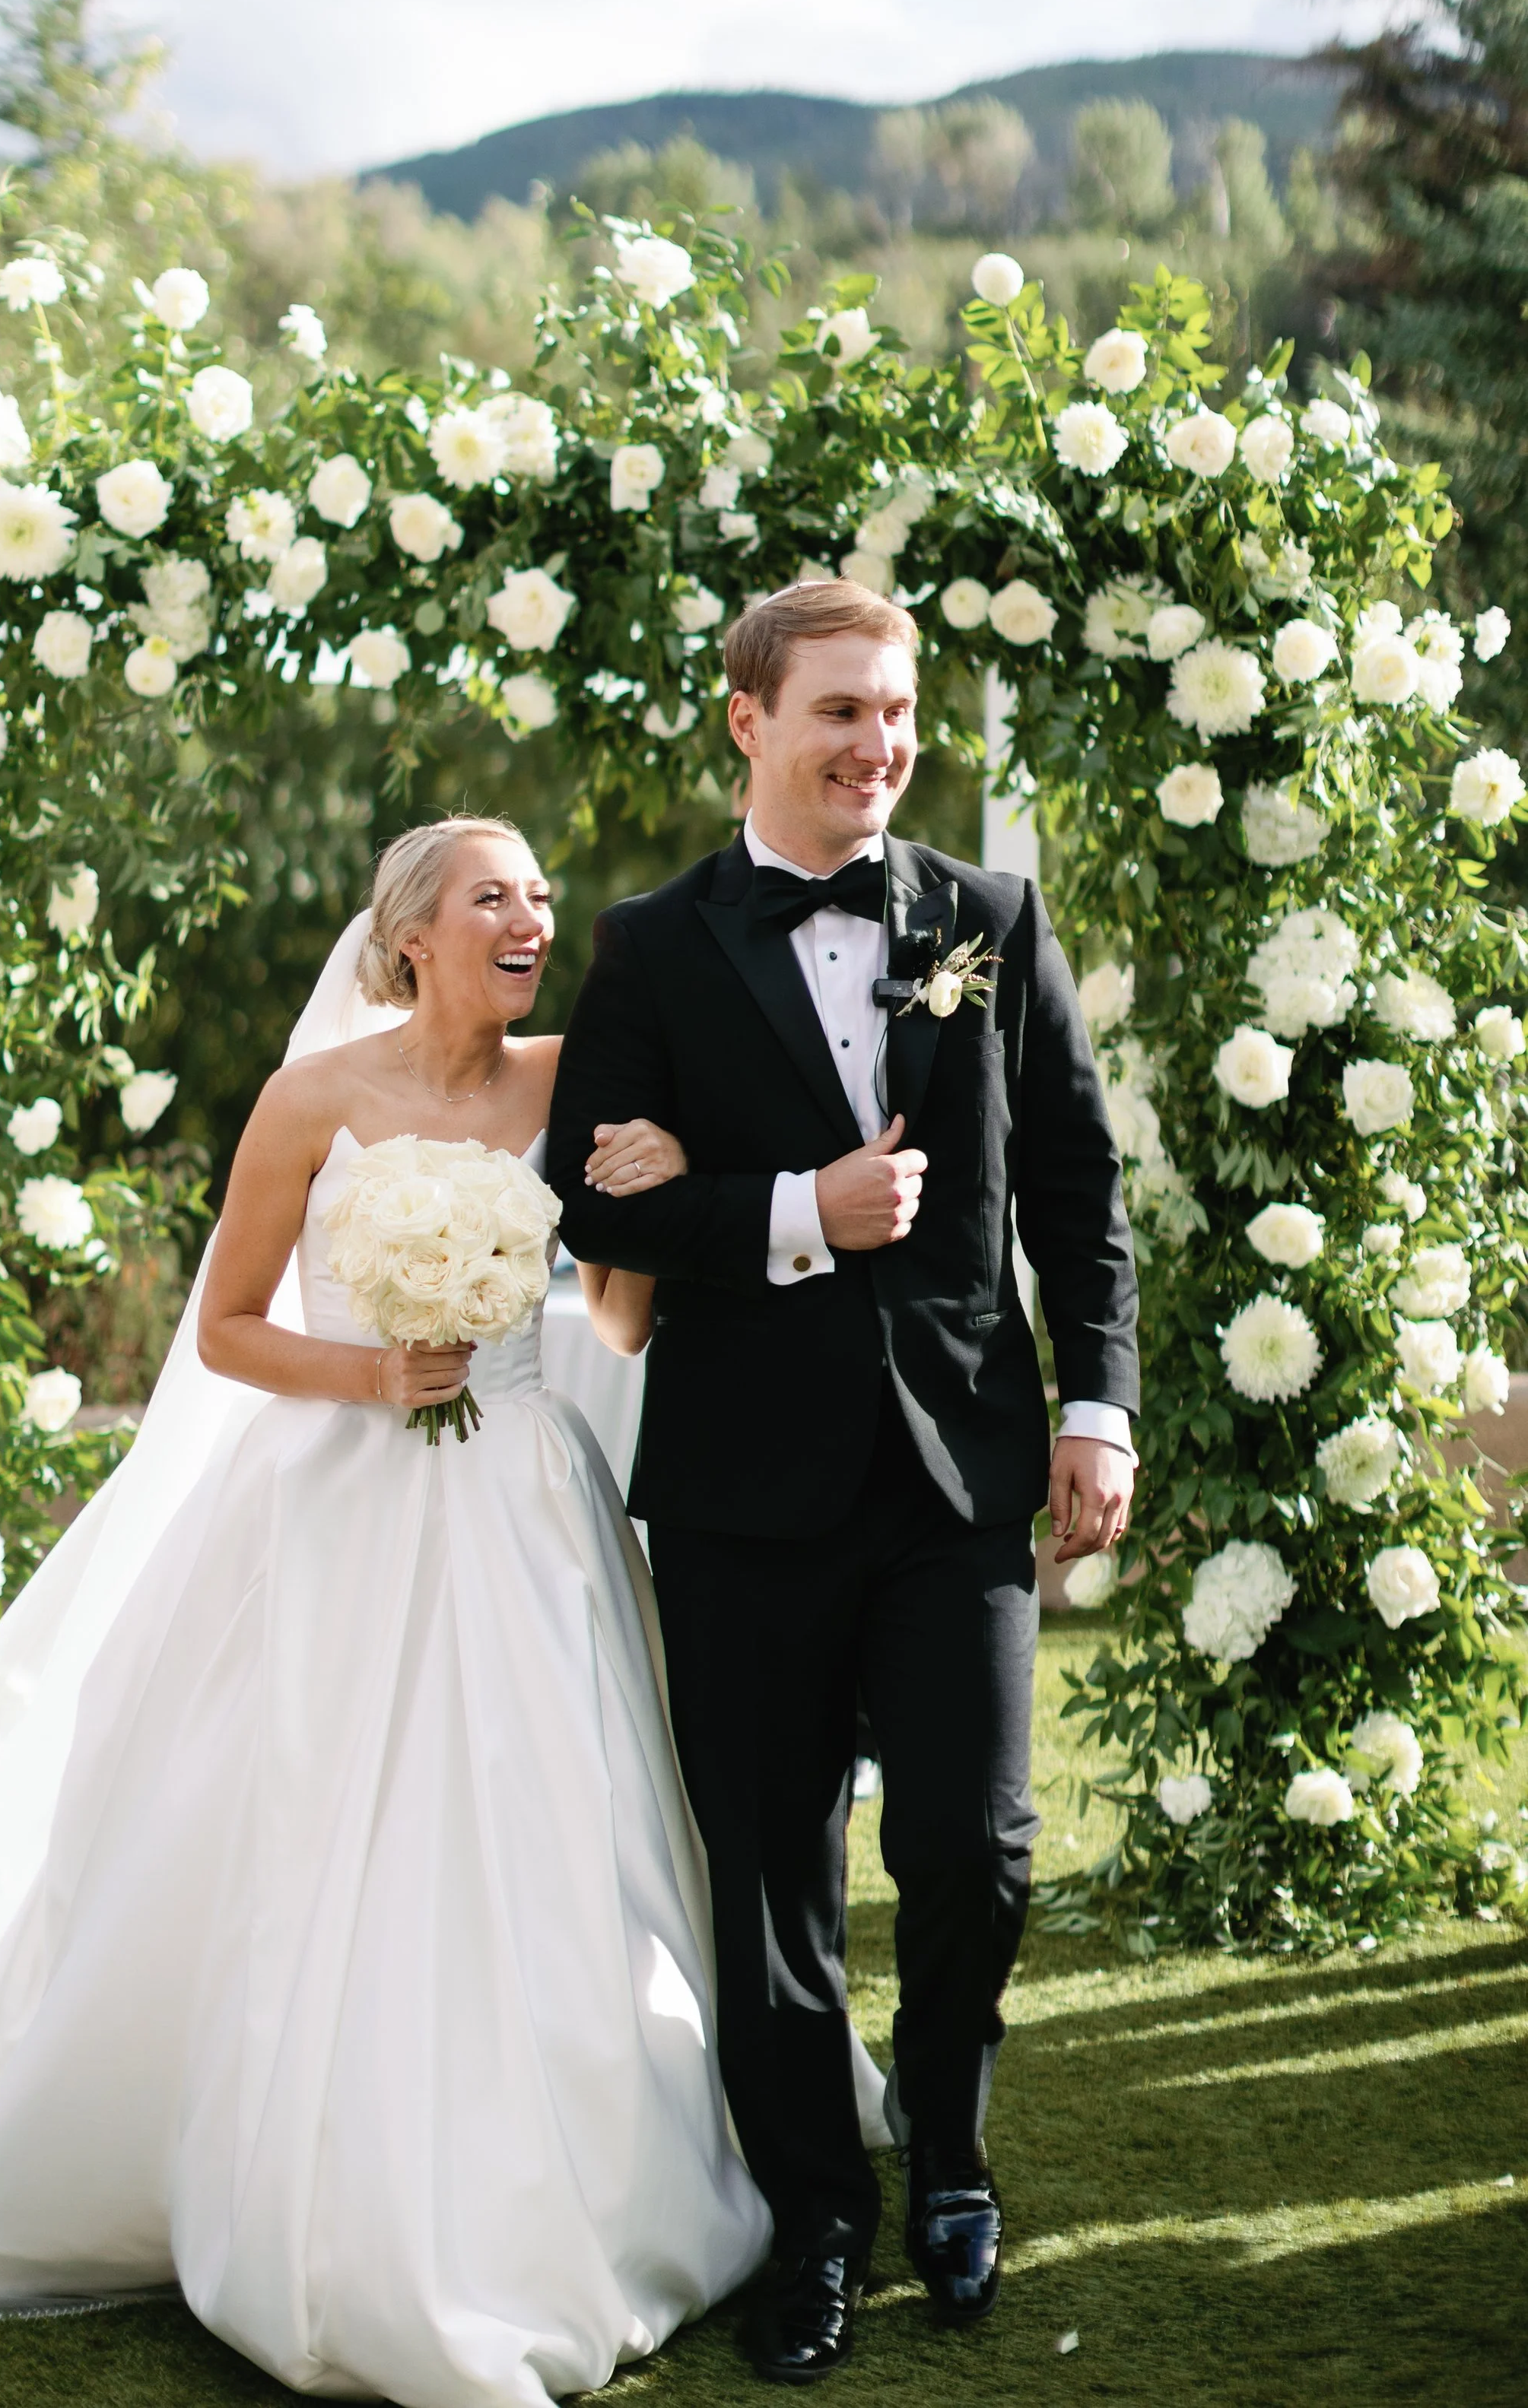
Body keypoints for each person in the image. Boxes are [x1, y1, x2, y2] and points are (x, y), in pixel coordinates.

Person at [0, 818, 773, 2406]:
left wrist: (648, 1209)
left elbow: (610, 1318)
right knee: (303, 1823)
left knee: (536, 1818)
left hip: (524, 1506)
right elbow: (229, 1331)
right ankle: (285, 2164)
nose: (529, 918)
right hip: (335, 1503)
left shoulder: (574, 1078)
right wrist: (375, 1370)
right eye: (491, 895)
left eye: (534, 897)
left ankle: (535, 2176)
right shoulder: (312, 1101)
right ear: (410, 935)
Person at [549, 580, 1139, 2383]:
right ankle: (812, 2216)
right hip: (738, 1495)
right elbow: (589, 1199)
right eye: (838, 713)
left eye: (893, 713)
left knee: (974, 1847)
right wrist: (798, 1211)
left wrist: (1097, 1405)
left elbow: (1074, 1193)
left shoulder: (986, 917)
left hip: (957, 1472)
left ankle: (948, 2160)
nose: (877, 745)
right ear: (747, 720)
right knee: (769, 1880)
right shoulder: (652, 946)